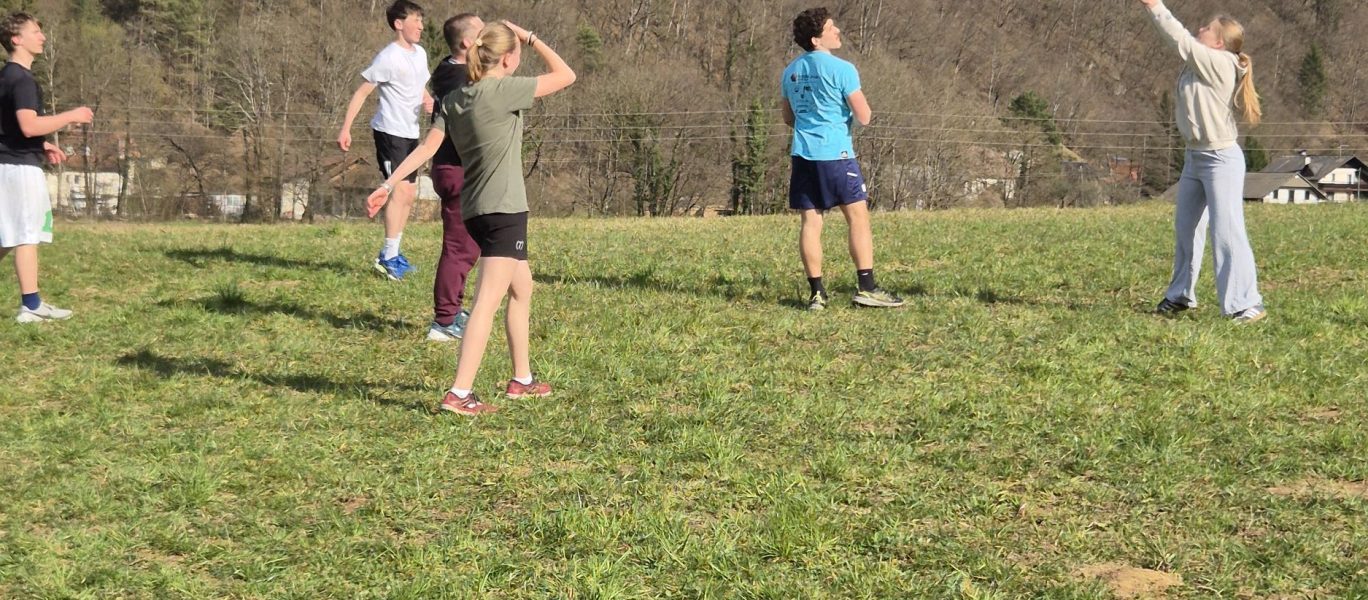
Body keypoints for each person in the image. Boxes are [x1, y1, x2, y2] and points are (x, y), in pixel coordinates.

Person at [367, 21, 575, 415]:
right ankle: (459, 392)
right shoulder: (505, 90)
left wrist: (389, 182)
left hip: (476, 210)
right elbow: (566, 75)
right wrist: (531, 37)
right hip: (504, 211)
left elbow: (426, 148)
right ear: (508, 59)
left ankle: (522, 380)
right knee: (486, 302)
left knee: (522, 288)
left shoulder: (454, 99)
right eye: (517, 52)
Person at [1141, 0, 1266, 323]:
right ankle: (1180, 296)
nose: (1200, 29)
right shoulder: (1200, 63)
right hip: (1195, 156)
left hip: (1220, 159)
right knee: (1186, 228)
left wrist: (1155, 6)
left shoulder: (1221, 63)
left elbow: (1179, 39)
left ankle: (1246, 303)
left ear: (1220, 42)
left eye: (1207, 29)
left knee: (1227, 231)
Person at [782, 7, 904, 312]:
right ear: (816, 39)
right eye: (831, 28)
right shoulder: (843, 69)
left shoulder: (790, 71)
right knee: (858, 218)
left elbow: (788, 118)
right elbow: (864, 116)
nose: (837, 31)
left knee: (811, 223)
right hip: (837, 155)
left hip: (803, 154)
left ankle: (817, 294)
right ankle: (867, 287)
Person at [0, 12, 93, 323]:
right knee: (26, 234)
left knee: (8, 235)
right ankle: (31, 305)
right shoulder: (23, 80)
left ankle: (32, 303)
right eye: (35, 32)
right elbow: (28, 125)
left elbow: (9, 127)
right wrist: (71, 116)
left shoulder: (6, 77)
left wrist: (42, 145)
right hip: (18, 170)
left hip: (9, 164)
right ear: (17, 39)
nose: (42, 37)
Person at [337, 0, 433, 281]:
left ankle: (393, 253)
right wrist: (346, 128)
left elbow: (420, 86)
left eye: (422, 21)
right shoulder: (387, 57)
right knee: (399, 192)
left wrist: (429, 101)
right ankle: (388, 259)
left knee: (409, 194)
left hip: (411, 133)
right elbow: (361, 93)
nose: (421, 26)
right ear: (399, 24)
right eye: (416, 20)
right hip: (389, 133)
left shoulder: (420, 54)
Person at [425, 12, 484, 342]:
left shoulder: (447, 69)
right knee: (460, 248)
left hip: (451, 167)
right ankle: (444, 321)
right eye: (482, 32)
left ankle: (452, 310)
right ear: (467, 42)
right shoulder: (462, 79)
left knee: (466, 246)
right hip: (457, 169)